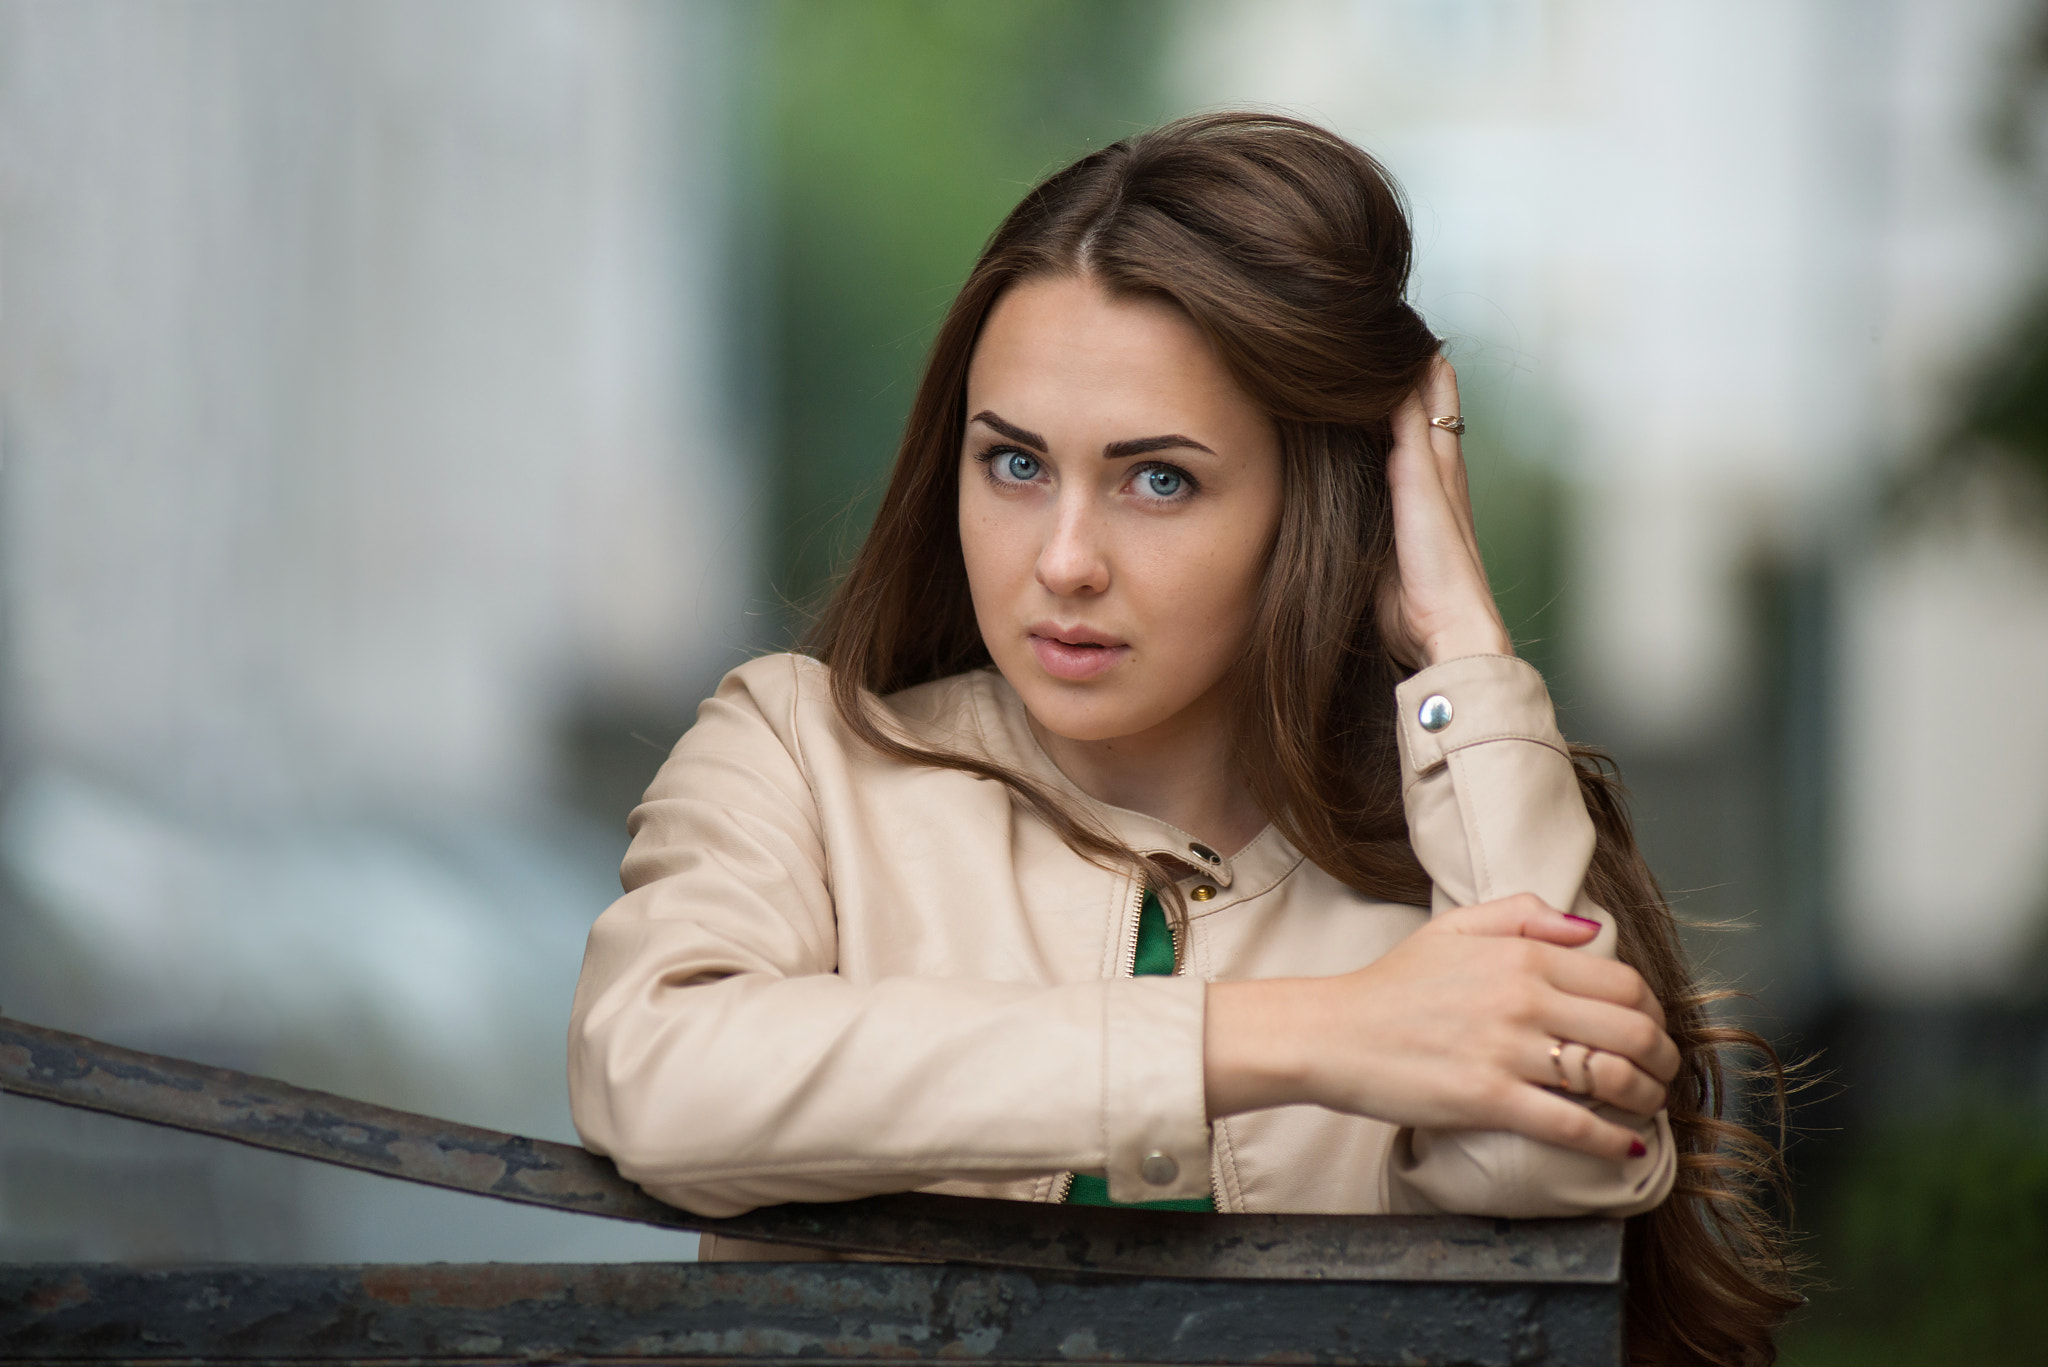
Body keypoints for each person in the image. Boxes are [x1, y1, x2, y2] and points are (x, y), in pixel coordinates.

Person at [569, 113, 1797, 1365]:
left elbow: (1552, 1157)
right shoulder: (798, 754)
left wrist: (1462, 646)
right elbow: (657, 1071)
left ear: (1315, 505)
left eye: (1158, 479)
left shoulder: (1438, 870)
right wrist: (1310, 1033)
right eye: (1011, 463)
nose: (1062, 560)